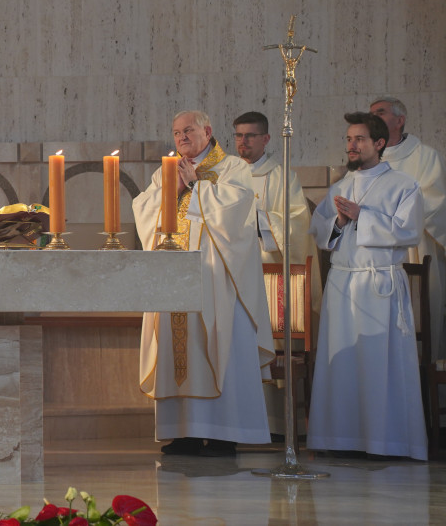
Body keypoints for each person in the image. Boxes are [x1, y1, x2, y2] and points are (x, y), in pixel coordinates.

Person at [132, 110, 274, 457]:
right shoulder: (166, 172)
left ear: (207, 131)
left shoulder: (232, 168)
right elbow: (143, 210)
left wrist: (197, 186)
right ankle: (185, 433)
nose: (181, 137)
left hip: (219, 282)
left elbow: (238, 215)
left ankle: (224, 435)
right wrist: (174, 188)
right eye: (176, 132)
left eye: (188, 130)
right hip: (173, 281)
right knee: (179, 352)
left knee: (219, 347)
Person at [307, 112, 426, 460]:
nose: (352, 146)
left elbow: (409, 231)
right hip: (342, 283)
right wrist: (339, 222)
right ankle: (340, 439)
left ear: (379, 143)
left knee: (379, 364)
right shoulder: (340, 186)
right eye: (348, 139)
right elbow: (319, 230)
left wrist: (364, 216)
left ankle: (385, 442)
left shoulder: (404, 185)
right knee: (341, 363)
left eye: (359, 139)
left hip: (379, 285)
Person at [233, 110, 319, 436]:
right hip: (234, 274)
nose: (243, 142)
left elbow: (298, 224)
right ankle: (239, 424)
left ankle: (277, 426)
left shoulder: (282, 177)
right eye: (238, 135)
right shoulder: (225, 174)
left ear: (267, 139)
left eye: (250, 135)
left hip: (271, 279)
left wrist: (258, 219)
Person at [370, 96, 446, 359]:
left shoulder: (426, 157)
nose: (372, 118)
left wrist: (390, 213)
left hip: (415, 250)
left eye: (380, 112)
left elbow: (436, 202)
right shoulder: (366, 158)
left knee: (420, 316)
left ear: (399, 120)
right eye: (370, 113)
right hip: (375, 254)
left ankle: (424, 380)